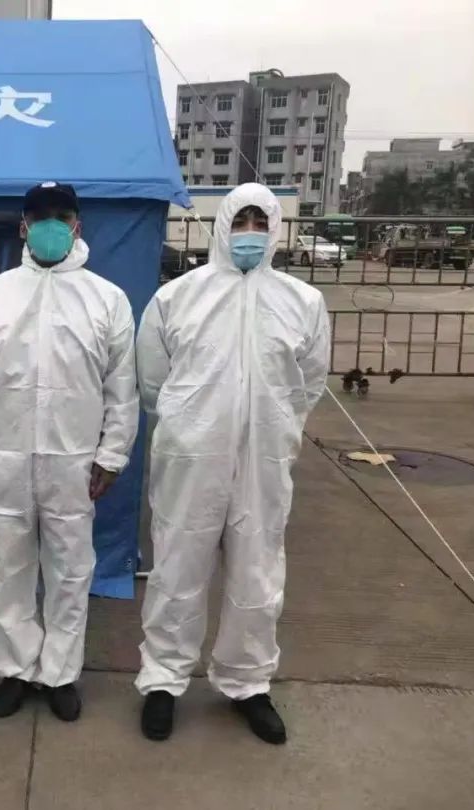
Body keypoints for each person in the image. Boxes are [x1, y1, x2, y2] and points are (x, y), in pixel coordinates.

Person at [134, 183, 330, 744]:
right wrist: (190, 425)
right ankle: (163, 680)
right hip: (191, 458)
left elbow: (309, 382)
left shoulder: (302, 302)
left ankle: (247, 682)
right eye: (240, 220)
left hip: (264, 459)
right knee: (177, 570)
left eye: (259, 222)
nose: (249, 232)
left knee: (257, 574)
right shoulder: (178, 297)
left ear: (274, 229)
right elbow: (153, 381)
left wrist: (276, 427)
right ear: (222, 225)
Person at [0, 182, 138, 722]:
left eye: (62, 215)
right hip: (5, 459)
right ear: (23, 227)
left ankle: (59, 673)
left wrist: (112, 454)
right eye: (39, 217)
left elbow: (122, 387)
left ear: (77, 226)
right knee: (7, 570)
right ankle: (15, 669)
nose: (51, 225)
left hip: (73, 461)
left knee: (70, 571)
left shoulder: (107, 299)